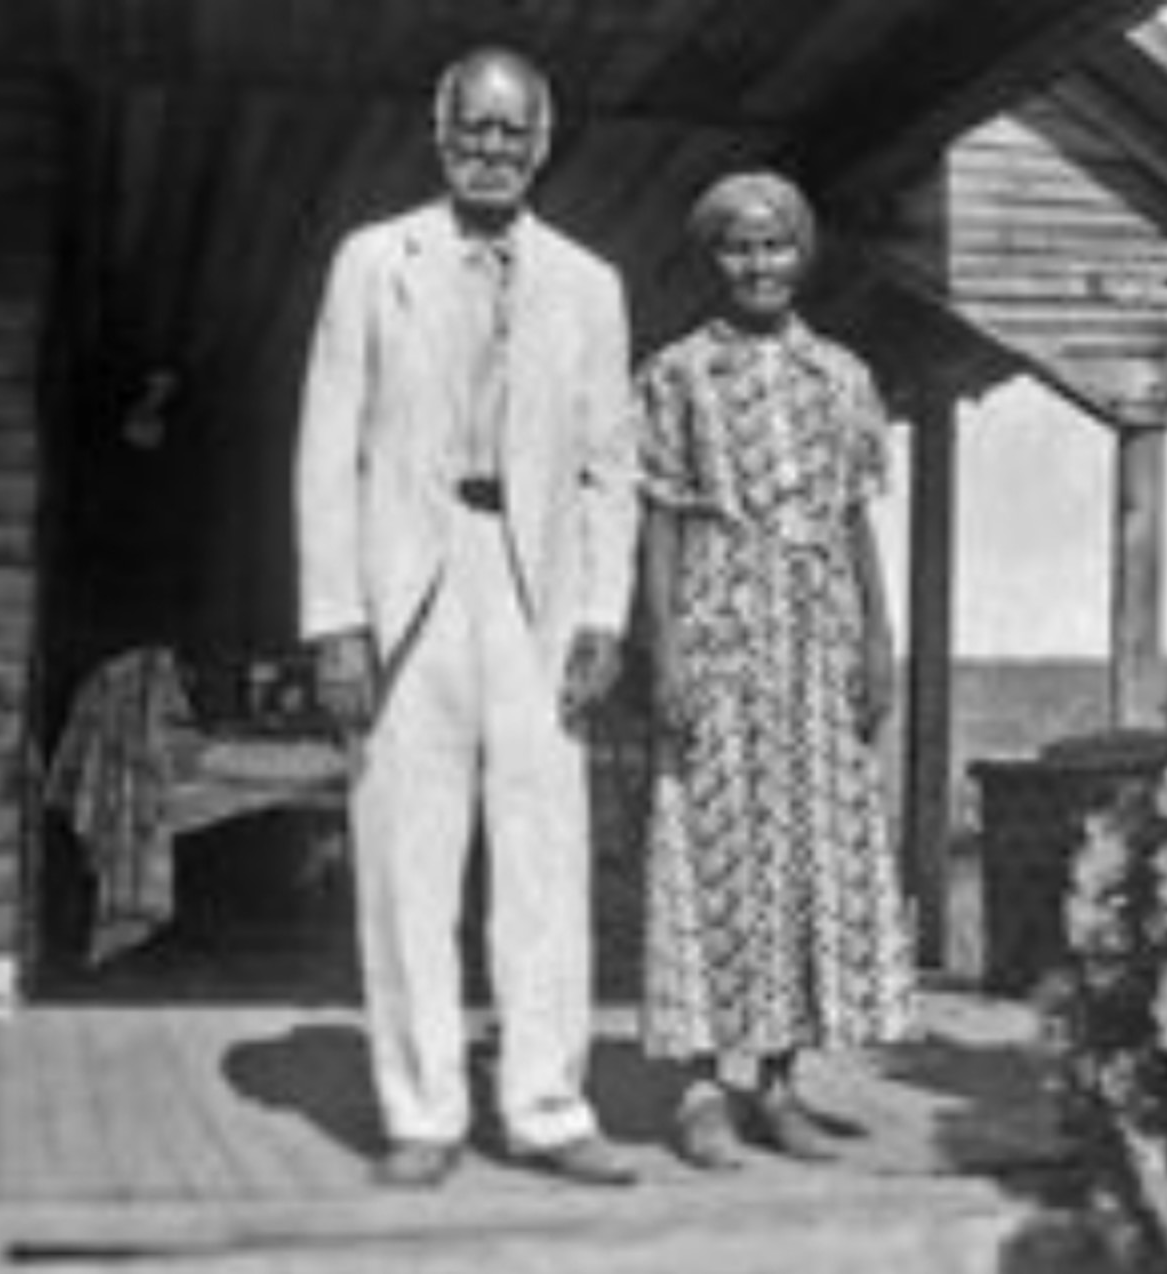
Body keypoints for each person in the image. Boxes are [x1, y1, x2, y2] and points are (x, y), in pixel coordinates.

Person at [293, 46, 639, 1190]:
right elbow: (325, 450)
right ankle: (422, 1108)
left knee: (543, 854)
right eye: (470, 129)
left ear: (543, 143)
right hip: (409, 585)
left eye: (512, 132)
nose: (490, 150)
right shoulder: (371, 261)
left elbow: (606, 468)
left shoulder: (589, 285)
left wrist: (601, 613)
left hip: (535, 588)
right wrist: (334, 619)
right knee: (404, 854)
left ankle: (545, 1103)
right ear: (437, 135)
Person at [637, 171, 916, 1170]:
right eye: (735, 248)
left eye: (774, 245)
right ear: (712, 259)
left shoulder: (840, 375)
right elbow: (662, 519)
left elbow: (854, 518)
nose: (757, 264)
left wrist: (878, 637)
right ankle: (701, 1085)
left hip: (818, 631)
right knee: (713, 844)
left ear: (802, 253)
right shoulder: (675, 373)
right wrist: (662, 646)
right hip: (719, 620)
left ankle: (781, 1082)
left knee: (807, 851)